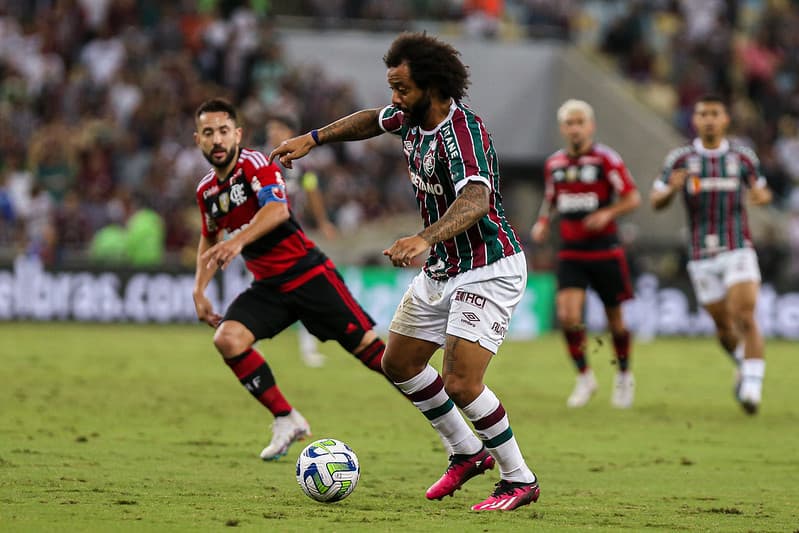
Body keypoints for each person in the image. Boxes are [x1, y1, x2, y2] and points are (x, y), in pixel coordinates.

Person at [270, 32, 539, 512]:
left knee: (461, 383)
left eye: (402, 88)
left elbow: (476, 199)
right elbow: (370, 120)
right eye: (392, 86)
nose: (394, 98)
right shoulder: (409, 117)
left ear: (432, 87)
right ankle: (466, 451)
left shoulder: (464, 133)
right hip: (443, 266)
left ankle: (518, 479)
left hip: (488, 265)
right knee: (398, 364)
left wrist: (424, 238)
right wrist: (313, 139)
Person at [191, 98, 391, 461]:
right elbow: (209, 236)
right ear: (198, 140)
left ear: (237, 134)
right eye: (208, 133)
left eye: (223, 131)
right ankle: (286, 419)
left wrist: (237, 241)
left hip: (307, 274)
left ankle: (442, 413)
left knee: (377, 356)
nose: (217, 140)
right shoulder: (207, 191)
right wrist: (199, 288)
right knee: (229, 339)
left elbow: (277, 210)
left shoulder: (256, 164)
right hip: (269, 287)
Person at [650, 94, 771, 414]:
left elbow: (762, 189)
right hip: (701, 254)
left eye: (714, 114)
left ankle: (752, 388)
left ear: (725, 119)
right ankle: (743, 364)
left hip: (737, 247)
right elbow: (655, 200)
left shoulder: (742, 157)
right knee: (724, 327)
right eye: (703, 114)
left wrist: (760, 196)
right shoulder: (680, 158)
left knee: (744, 314)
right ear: (695, 120)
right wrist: (671, 190)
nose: (708, 120)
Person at [530, 99, 641, 409]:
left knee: (615, 320)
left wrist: (607, 213)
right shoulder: (555, 164)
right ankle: (584, 377)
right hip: (571, 251)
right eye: (570, 123)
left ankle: (623, 375)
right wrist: (542, 222)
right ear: (563, 128)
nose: (575, 128)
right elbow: (551, 199)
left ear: (590, 126)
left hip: (605, 249)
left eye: (580, 122)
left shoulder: (606, 160)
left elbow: (632, 197)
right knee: (568, 316)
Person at [266, 114, 338, 368]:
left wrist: (323, 222)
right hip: (264, 235)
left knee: (306, 287)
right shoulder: (261, 161)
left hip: (292, 234)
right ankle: (244, 341)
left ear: (290, 133)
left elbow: (312, 191)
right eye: (271, 128)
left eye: (278, 128)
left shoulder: (304, 165)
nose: (273, 133)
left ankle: (308, 348)